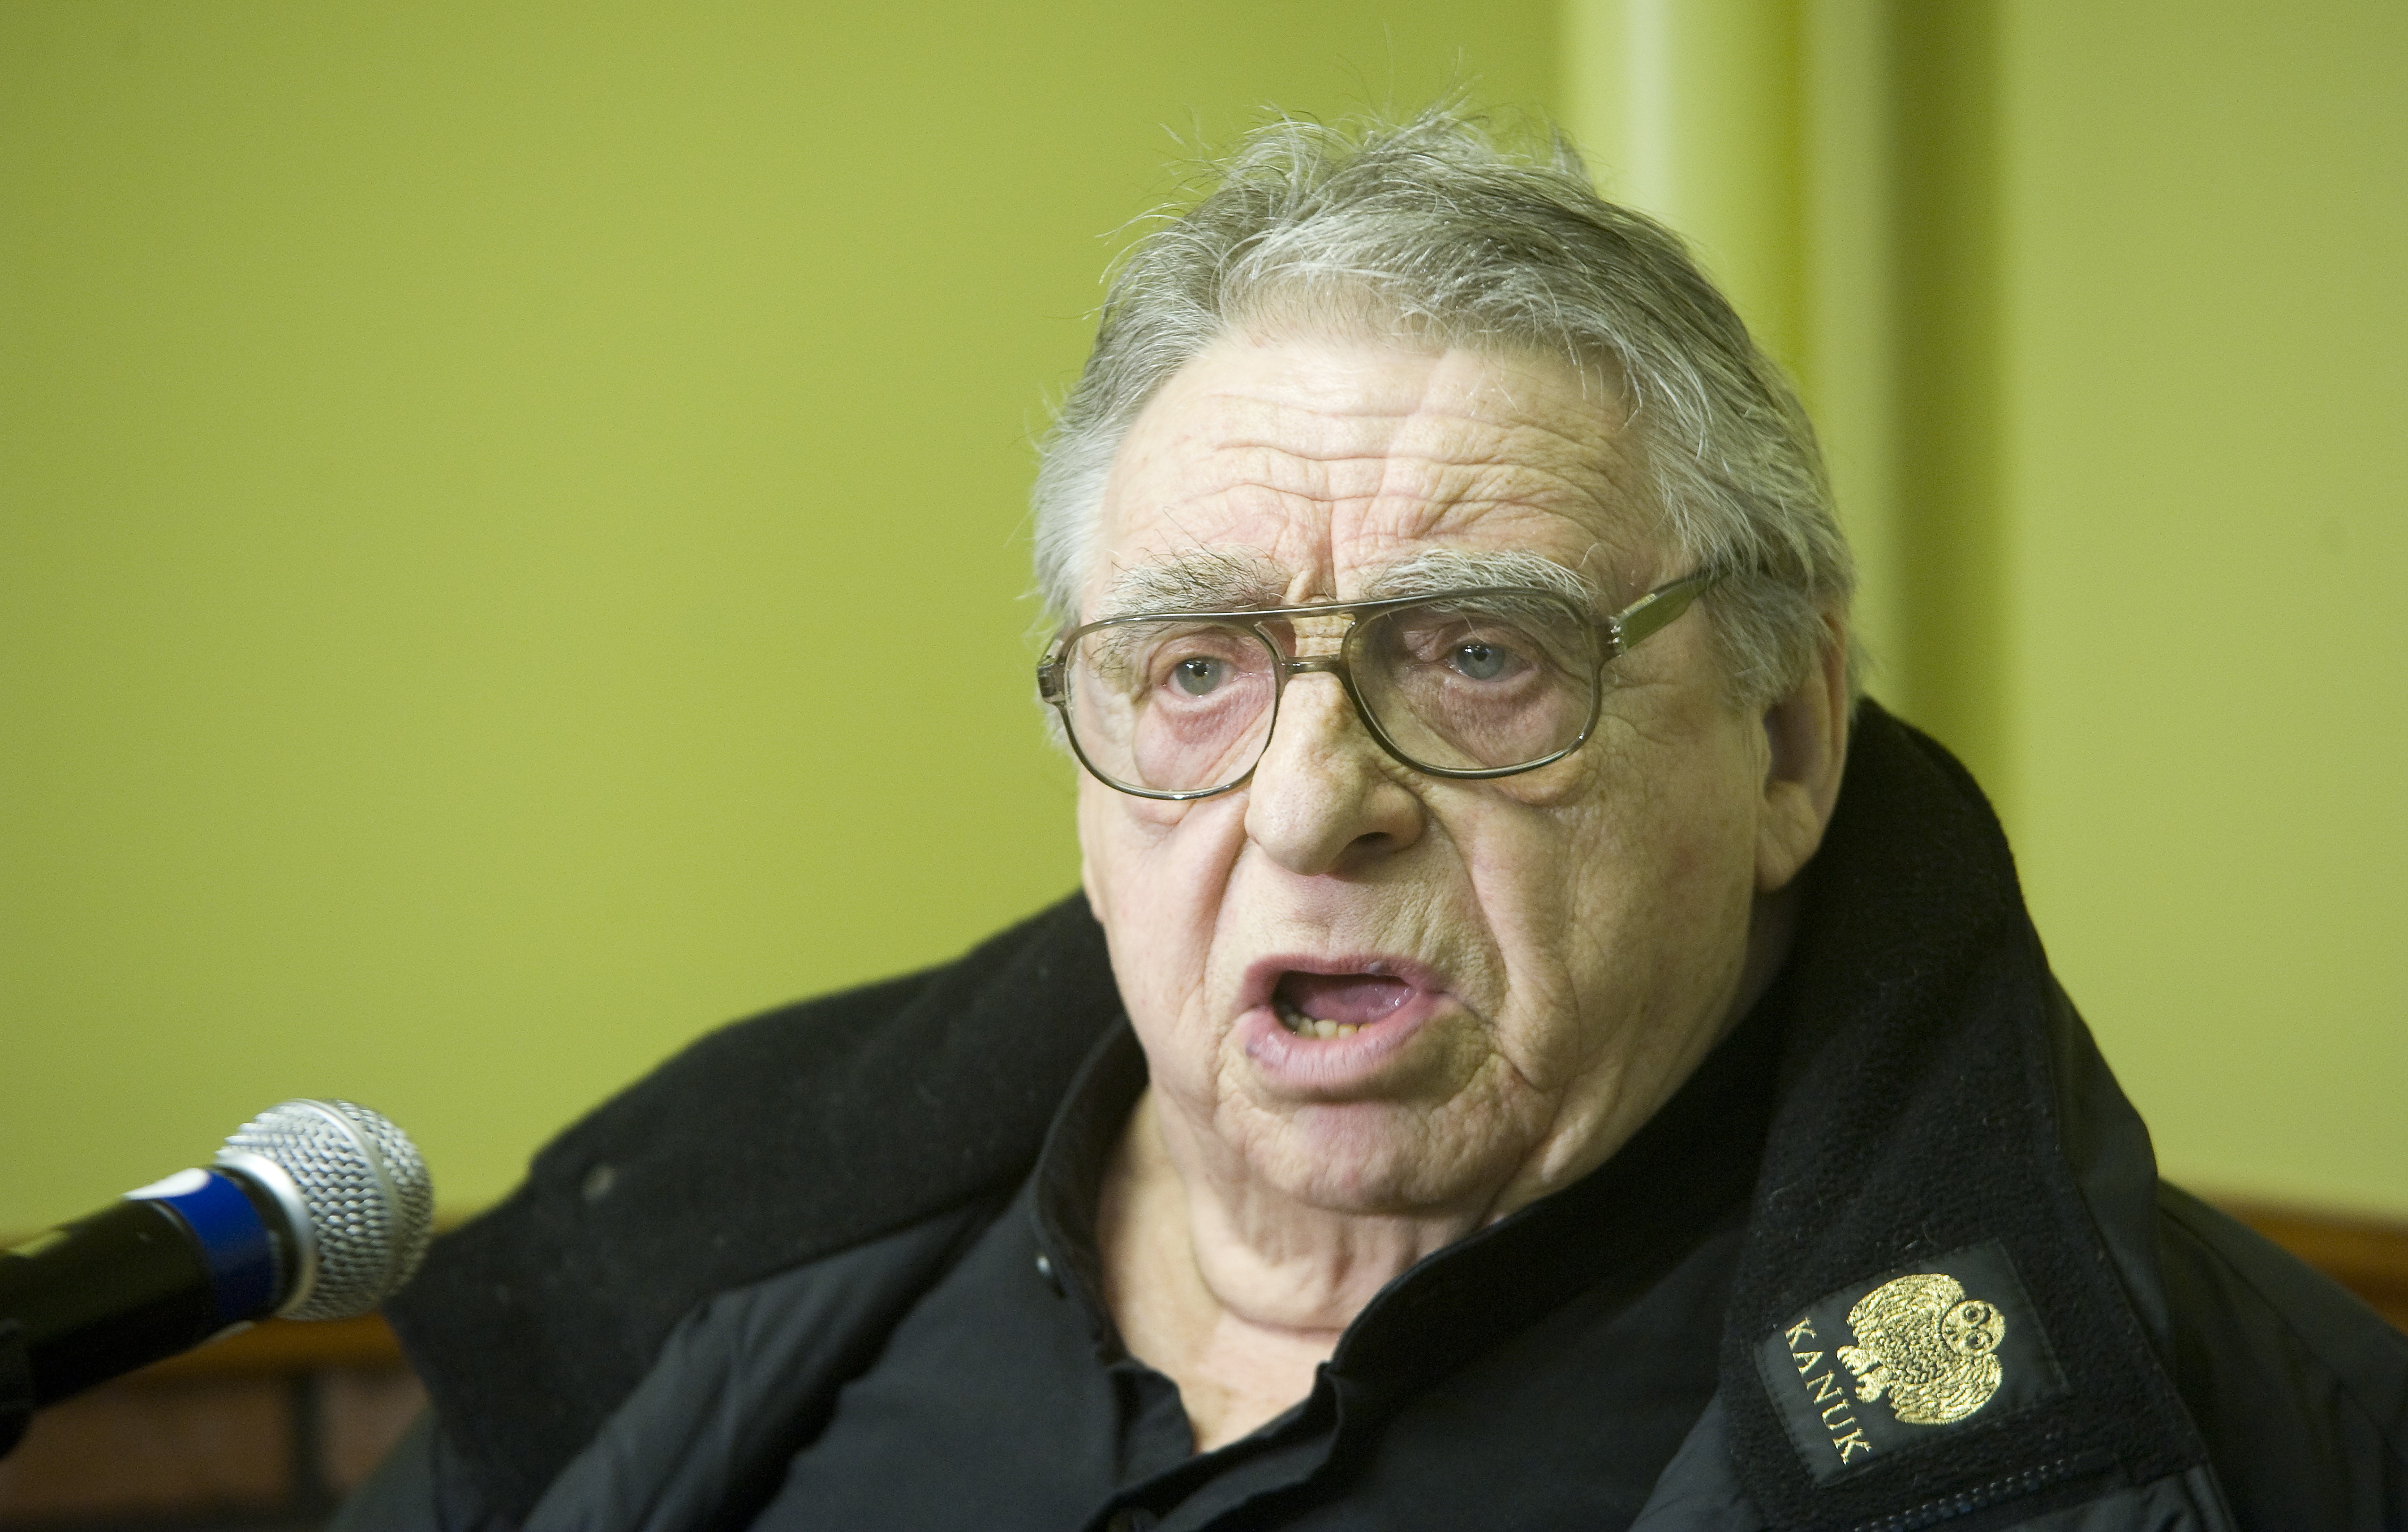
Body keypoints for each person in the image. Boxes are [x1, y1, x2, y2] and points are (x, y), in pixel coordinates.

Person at [339, 106, 2407, 1532]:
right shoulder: (703, 1243)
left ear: (1784, 746)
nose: (1313, 804)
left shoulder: (2249, 1439)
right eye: (1196, 670)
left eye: (1481, 655)